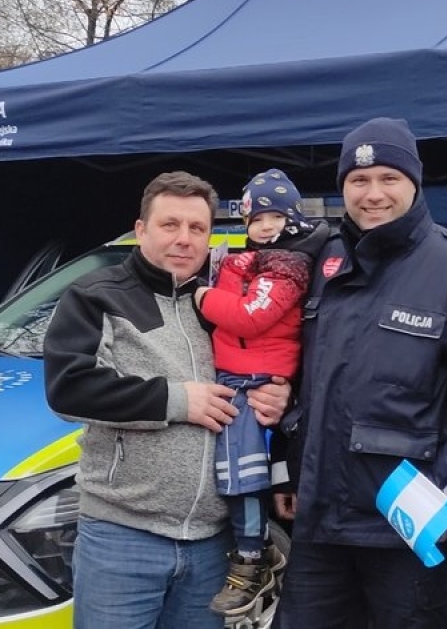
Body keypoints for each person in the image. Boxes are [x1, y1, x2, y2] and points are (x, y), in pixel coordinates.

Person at [272, 117, 447, 628]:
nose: (373, 193)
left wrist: (445, 490)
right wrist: (288, 464)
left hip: (409, 528)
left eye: (388, 178)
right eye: (358, 180)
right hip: (320, 525)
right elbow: (300, 377)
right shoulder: (325, 260)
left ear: (414, 183)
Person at [44, 170, 289, 629]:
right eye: (169, 224)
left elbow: (271, 361)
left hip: (213, 544)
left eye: (197, 228)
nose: (184, 239)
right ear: (141, 230)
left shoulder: (225, 304)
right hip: (122, 537)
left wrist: (279, 394)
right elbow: (69, 388)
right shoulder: (96, 296)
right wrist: (176, 401)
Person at [193, 168, 327, 617]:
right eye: (256, 219)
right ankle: (256, 550)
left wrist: (202, 296)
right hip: (233, 378)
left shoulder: (287, 266)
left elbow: (251, 316)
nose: (266, 226)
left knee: (243, 477)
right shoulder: (245, 260)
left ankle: (252, 556)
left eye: (275, 216)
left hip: (252, 382)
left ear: (293, 217)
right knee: (235, 475)